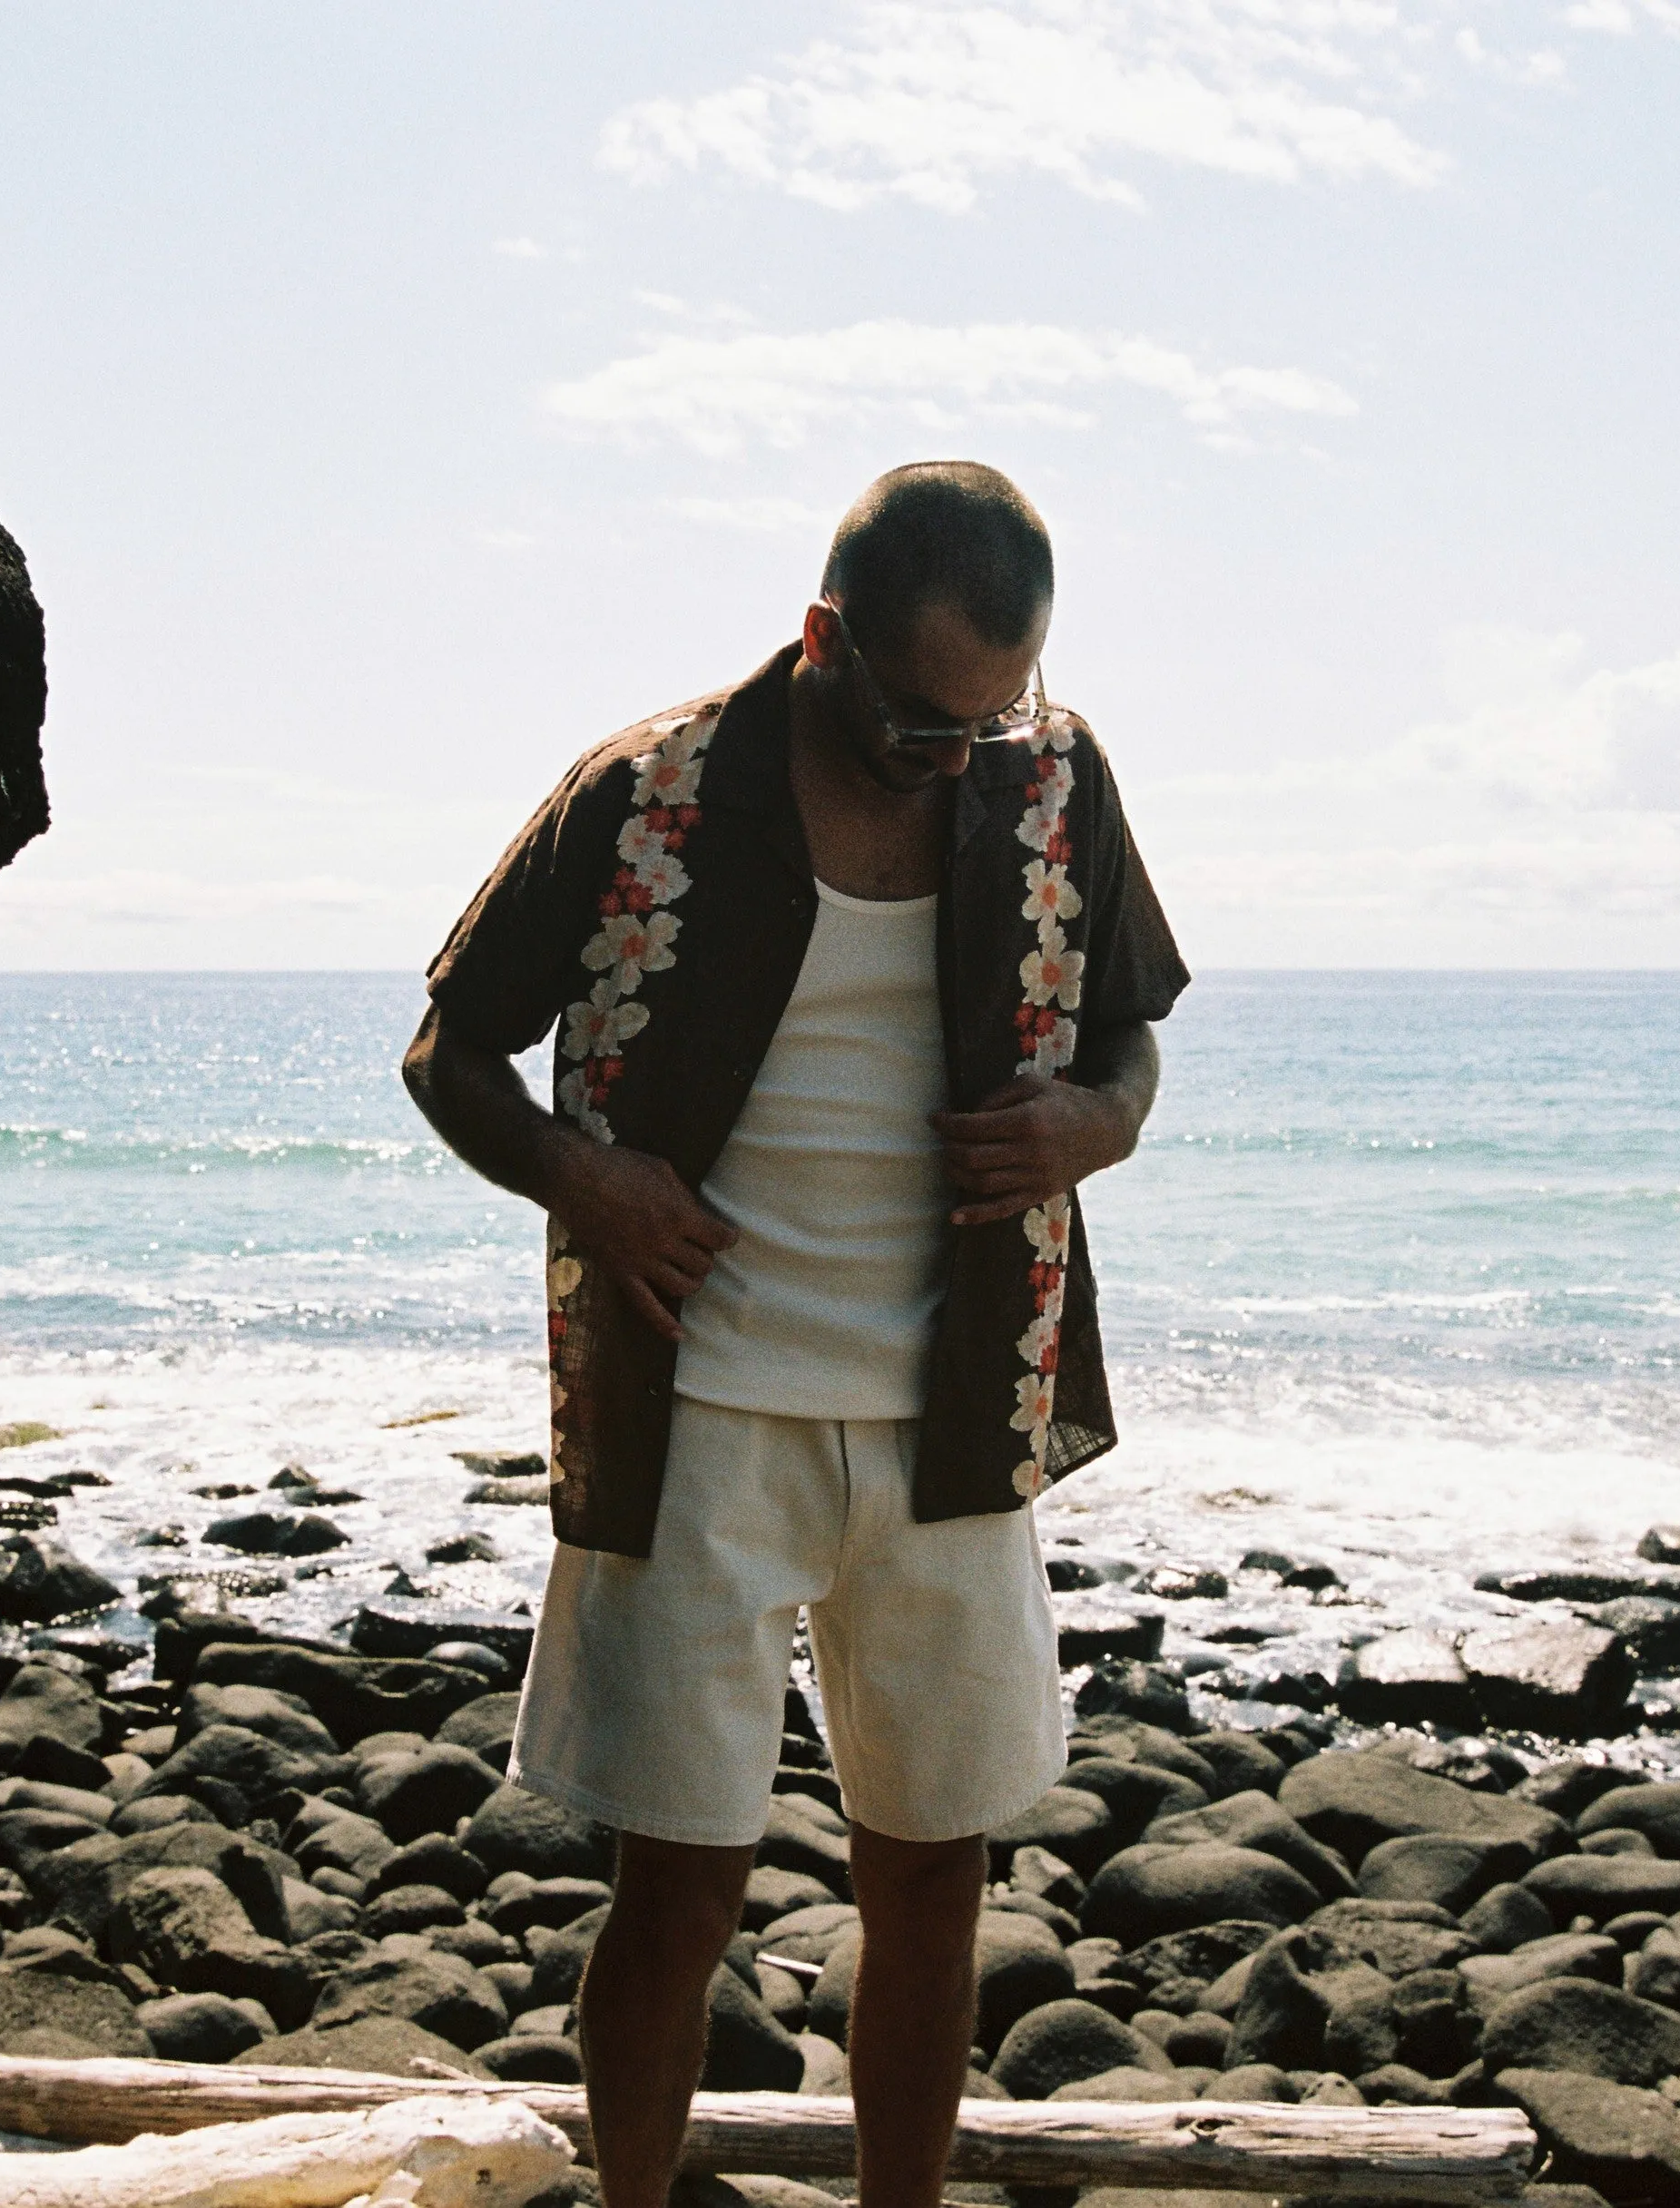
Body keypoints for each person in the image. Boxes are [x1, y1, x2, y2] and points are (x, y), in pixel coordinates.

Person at [402, 461, 1187, 2208]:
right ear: (822, 635)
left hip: (958, 1410)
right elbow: (447, 1058)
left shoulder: (1051, 780)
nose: (957, 757)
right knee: (679, 1886)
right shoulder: (647, 792)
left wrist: (1095, 1127)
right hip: (701, 1405)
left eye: (996, 719)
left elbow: (1131, 1049)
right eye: (923, 721)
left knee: (935, 1880)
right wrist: (585, 1186)